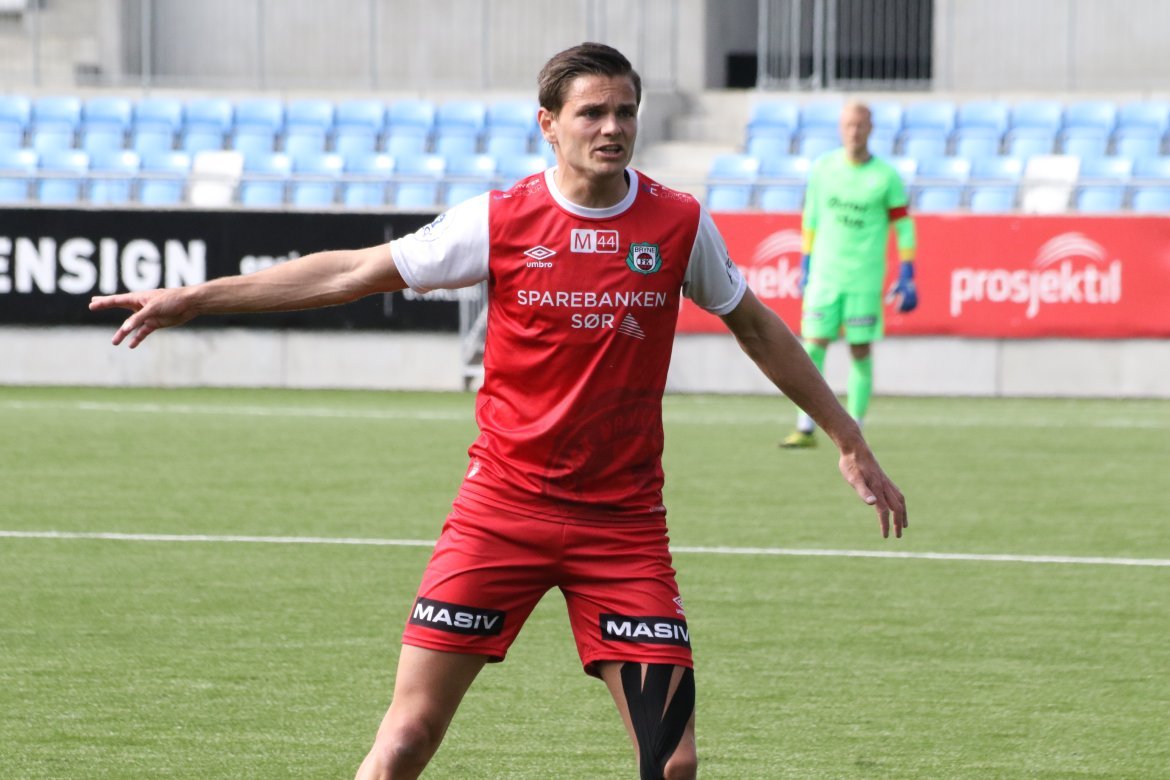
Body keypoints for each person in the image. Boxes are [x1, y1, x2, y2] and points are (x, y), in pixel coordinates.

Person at [90, 44, 907, 780]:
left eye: (626, 111)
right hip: (499, 516)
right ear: (548, 125)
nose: (613, 127)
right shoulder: (499, 219)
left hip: (622, 528)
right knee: (406, 739)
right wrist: (197, 298)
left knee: (674, 761)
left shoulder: (679, 223)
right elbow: (350, 273)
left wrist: (848, 436)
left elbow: (758, 328)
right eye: (592, 112)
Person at [781, 101, 919, 449]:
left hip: (863, 280)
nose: (854, 132)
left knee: (859, 349)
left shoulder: (885, 176)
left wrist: (907, 271)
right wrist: (806, 262)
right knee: (812, 348)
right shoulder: (823, 169)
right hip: (825, 277)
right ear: (840, 128)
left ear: (870, 128)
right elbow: (811, 218)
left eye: (860, 125)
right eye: (848, 125)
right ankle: (805, 426)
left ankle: (855, 428)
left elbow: (904, 226)